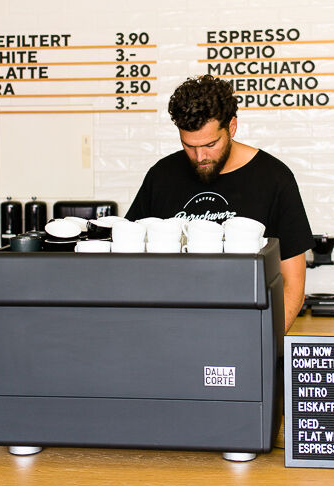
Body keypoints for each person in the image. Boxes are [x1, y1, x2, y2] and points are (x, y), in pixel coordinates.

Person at [126, 74, 313, 331]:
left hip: (244, 329)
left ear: (232, 127)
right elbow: (128, 261)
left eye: (210, 144)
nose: (200, 156)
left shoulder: (274, 179)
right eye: (189, 145)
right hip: (167, 331)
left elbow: (293, 285)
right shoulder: (162, 175)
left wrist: (263, 346)